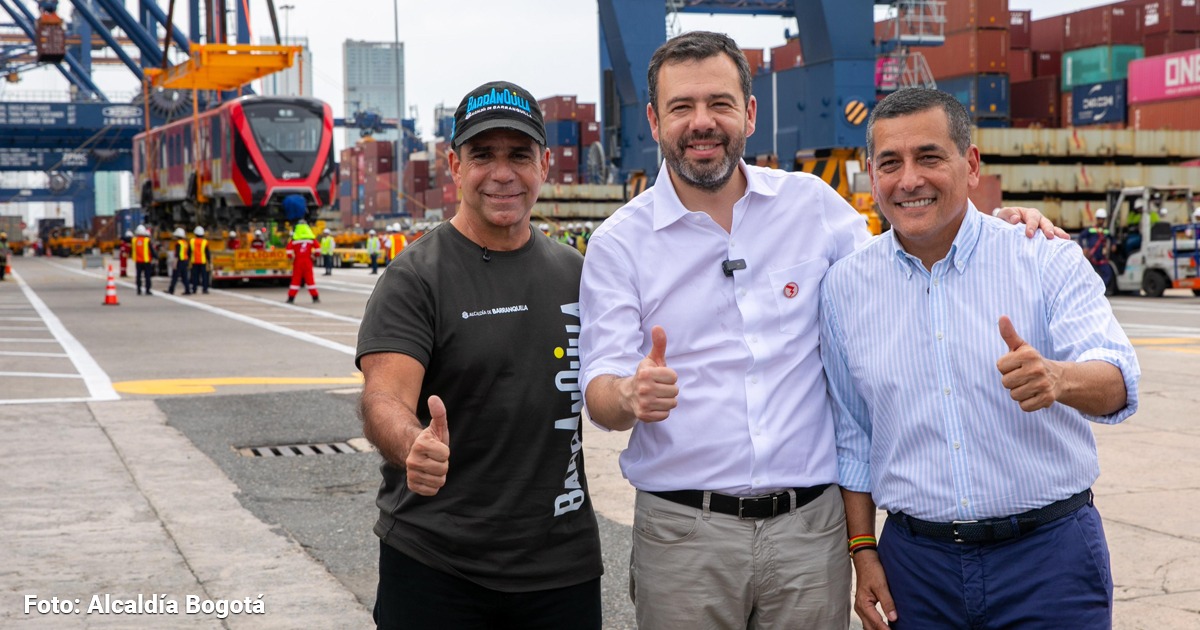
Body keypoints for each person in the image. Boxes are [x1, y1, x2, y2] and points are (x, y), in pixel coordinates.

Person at [578, 31, 1063, 629]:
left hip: (809, 534)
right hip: (684, 535)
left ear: (749, 113)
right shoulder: (617, 245)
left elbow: (905, 255)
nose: (702, 122)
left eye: (720, 103)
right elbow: (599, 395)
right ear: (654, 120)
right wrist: (628, 396)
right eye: (682, 107)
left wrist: (1003, 225)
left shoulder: (813, 207)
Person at [819, 87, 1140, 630]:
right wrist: (862, 550)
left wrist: (1057, 379)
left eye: (929, 157)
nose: (909, 180)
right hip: (916, 569)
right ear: (871, 175)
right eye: (890, 163)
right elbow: (853, 435)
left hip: (1049, 558)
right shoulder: (845, 287)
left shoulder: (1041, 255)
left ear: (969, 164)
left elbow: (1118, 381)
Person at [356, 80, 602, 630]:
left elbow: (612, 389)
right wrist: (410, 444)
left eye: (518, 155)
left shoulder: (578, 274)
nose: (502, 173)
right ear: (454, 166)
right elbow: (383, 398)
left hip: (562, 569)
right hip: (438, 568)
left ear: (544, 164)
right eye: (482, 155)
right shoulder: (414, 277)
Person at [285, 220, 320, 304]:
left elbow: (288, 250)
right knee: (310, 280)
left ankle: (291, 298)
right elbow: (318, 249)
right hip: (307, 261)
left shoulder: (294, 240)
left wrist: (291, 257)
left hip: (298, 261)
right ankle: (315, 297)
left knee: (295, 280)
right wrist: (315, 256)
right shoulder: (311, 239)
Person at [1080, 207, 1113, 289]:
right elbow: (1081, 237)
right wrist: (1084, 247)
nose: (1101, 221)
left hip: (1102, 257)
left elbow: (1112, 238)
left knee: (1108, 273)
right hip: (1092, 257)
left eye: (1103, 219)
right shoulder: (1090, 229)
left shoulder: (1106, 231)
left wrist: (1113, 244)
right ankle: (1090, 290)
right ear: (1097, 219)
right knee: (1089, 274)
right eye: (1099, 219)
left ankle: (1101, 289)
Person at [132, 225, 155, 296]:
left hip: (138, 261)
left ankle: (139, 290)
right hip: (146, 261)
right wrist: (156, 257)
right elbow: (151, 250)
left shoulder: (134, 240)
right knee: (147, 276)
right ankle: (147, 290)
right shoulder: (147, 240)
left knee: (138, 276)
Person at [167, 227, 191, 295]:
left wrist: (175, 263)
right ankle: (187, 290)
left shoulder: (178, 243)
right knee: (184, 277)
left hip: (179, 261)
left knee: (175, 277)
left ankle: (171, 290)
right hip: (185, 260)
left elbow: (177, 254)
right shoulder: (185, 243)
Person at [189, 226, 210, 295]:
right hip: (203, 261)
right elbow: (207, 253)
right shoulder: (205, 242)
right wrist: (209, 261)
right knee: (204, 276)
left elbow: (189, 252)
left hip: (194, 261)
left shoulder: (191, 241)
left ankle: (194, 289)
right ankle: (205, 289)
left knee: (195, 276)